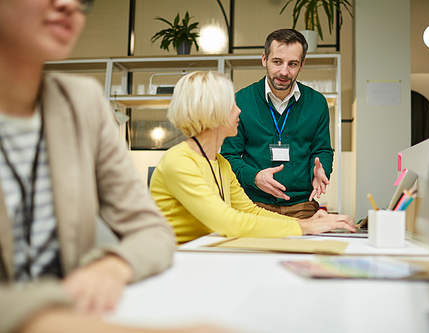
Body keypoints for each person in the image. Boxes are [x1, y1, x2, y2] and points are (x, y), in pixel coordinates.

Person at [0, 1, 234, 333]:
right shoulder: (180, 159)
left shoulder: (82, 101)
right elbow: (225, 219)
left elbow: (152, 230)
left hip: (84, 312)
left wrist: (116, 264)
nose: (69, 4)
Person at [149, 71, 354, 245]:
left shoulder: (220, 164)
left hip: (205, 255)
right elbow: (228, 222)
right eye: (231, 105)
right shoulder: (179, 161)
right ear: (212, 112)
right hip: (175, 262)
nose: (239, 109)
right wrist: (306, 226)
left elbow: (251, 212)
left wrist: (308, 223)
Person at [221, 28, 334, 219]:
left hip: (302, 206)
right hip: (253, 205)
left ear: (302, 64)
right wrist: (255, 178)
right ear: (264, 59)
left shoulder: (317, 103)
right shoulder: (240, 101)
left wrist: (322, 168)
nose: (284, 71)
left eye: (293, 64)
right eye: (277, 62)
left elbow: (322, 150)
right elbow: (228, 156)